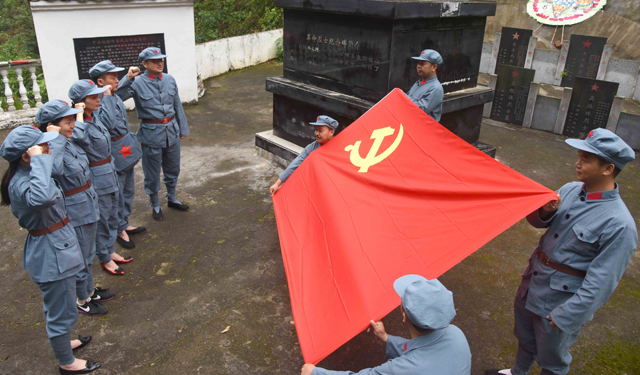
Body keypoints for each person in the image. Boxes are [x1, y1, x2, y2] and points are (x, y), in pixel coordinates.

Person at [486, 129, 638, 375]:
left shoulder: (619, 224)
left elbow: (602, 282)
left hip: (560, 301)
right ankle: (517, 372)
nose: (578, 163)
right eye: (579, 156)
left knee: (553, 359)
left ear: (608, 169)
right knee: (524, 336)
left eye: (586, 159)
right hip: (533, 280)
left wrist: (568, 315)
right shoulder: (570, 189)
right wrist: (545, 211)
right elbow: (538, 222)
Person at [0, 126, 101, 374]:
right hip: (51, 253)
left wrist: (40, 160)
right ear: (27, 156)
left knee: (65, 304)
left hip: (60, 243)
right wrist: (39, 160)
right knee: (60, 311)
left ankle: (65, 345)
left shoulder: (34, 173)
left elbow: (54, 175)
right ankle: (67, 363)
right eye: (43, 146)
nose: (48, 149)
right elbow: (43, 198)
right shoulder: (22, 183)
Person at [36, 100, 115, 316]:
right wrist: (55, 139)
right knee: (80, 257)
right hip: (75, 209)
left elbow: (81, 138)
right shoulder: (49, 147)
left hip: (87, 200)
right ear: (52, 125)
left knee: (88, 253)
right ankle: (82, 299)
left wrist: (63, 134)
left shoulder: (69, 140)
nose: (73, 125)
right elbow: (57, 169)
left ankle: (88, 290)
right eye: (68, 121)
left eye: (73, 120)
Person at [301, 275, 471, 375]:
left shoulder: (403, 369)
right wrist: (386, 338)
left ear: (404, 315)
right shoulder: (456, 334)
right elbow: (421, 348)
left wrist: (314, 372)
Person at [116, 47, 190, 221]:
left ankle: (172, 198)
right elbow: (117, 96)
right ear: (144, 64)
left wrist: (182, 128)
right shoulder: (136, 82)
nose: (159, 63)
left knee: (173, 168)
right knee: (152, 172)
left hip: (171, 131)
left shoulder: (170, 79)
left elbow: (177, 105)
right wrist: (127, 78)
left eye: (161, 60)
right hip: (151, 134)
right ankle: (155, 203)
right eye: (155, 61)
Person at [69, 79, 133, 276]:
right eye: (93, 96)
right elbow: (78, 137)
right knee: (102, 219)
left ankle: (109, 250)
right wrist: (78, 113)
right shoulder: (77, 123)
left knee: (113, 215)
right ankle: (104, 257)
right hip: (97, 177)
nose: (98, 99)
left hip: (109, 170)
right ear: (81, 101)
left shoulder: (95, 116)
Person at [89, 61, 145, 249]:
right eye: (112, 77)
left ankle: (124, 222)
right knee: (118, 194)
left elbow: (118, 93)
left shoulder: (111, 95)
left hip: (125, 148)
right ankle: (118, 228)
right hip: (114, 151)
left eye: (116, 76)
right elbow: (109, 123)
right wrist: (105, 95)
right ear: (100, 81)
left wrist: (126, 79)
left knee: (128, 190)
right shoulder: (98, 102)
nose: (116, 80)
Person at [269, 115, 338, 195]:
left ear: (331, 132)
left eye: (320, 131)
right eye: (316, 130)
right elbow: (296, 164)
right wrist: (277, 183)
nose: (316, 133)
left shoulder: (341, 147)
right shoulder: (312, 147)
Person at [406, 49, 444, 122]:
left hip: (423, 130)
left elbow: (420, 110)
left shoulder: (435, 88)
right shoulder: (419, 82)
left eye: (423, 63)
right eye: (418, 63)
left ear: (434, 67)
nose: (418, 66)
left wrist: (403, 96)